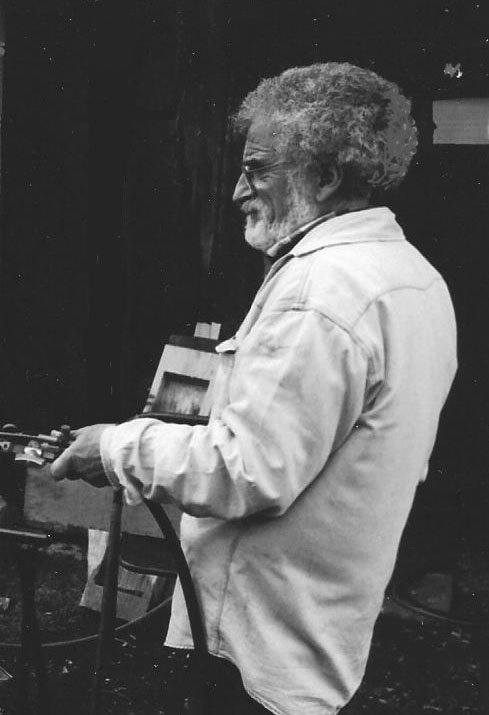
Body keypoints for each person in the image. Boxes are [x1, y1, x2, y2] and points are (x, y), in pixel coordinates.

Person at [47, 62, 457, 715]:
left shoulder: (321, 293)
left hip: (260, 657)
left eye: (258, 170)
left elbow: (246, 471)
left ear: (324, 177)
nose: (238, 190)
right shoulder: (411, 277)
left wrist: (115, 447)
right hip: (313, 638)